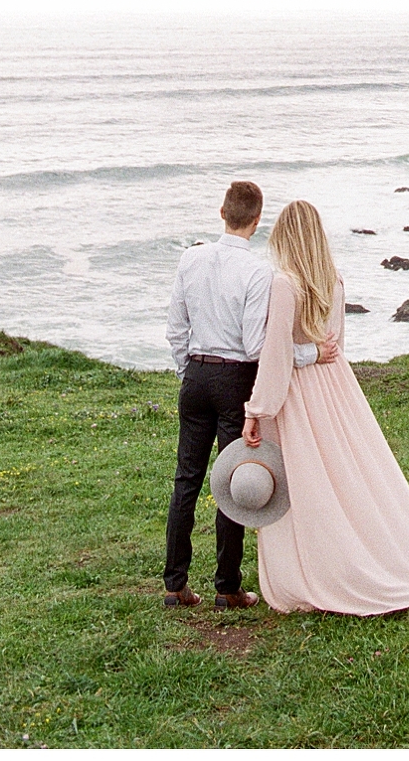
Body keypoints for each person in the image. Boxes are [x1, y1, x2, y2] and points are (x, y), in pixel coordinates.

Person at [243, 199, 409, 615]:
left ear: (286, 238)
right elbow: (336, 347)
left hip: (299, 394)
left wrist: (257, 409)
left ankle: (317, 571)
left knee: (306, 485)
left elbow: (275, 356)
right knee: (347, 475)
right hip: (336, 388)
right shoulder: (334, 282)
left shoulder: (285, 285)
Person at [163, 180, 337, 610]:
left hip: (196, 376)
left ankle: (174, 584)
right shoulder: (260, 272)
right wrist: (311, 353)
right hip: (234, 381)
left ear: (222, 212)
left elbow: (175, 329)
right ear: (257, 222)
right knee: (234, 480)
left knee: (187, 479)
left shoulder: (191, 258)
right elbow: (259, 347)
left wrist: (191, 372)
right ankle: (227, 588)